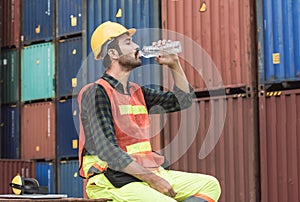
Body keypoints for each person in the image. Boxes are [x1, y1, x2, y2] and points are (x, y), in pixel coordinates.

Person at [77, 21, 221, 202]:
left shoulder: (137, 92)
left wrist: (174, 64)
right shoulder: (95, 92)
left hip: (143, 175)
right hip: (111, 179)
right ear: (113, 53)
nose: (137, 46)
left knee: (210, 185)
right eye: (128, 42)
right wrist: (153, 180)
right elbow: (108, 151)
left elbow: (182, 100)